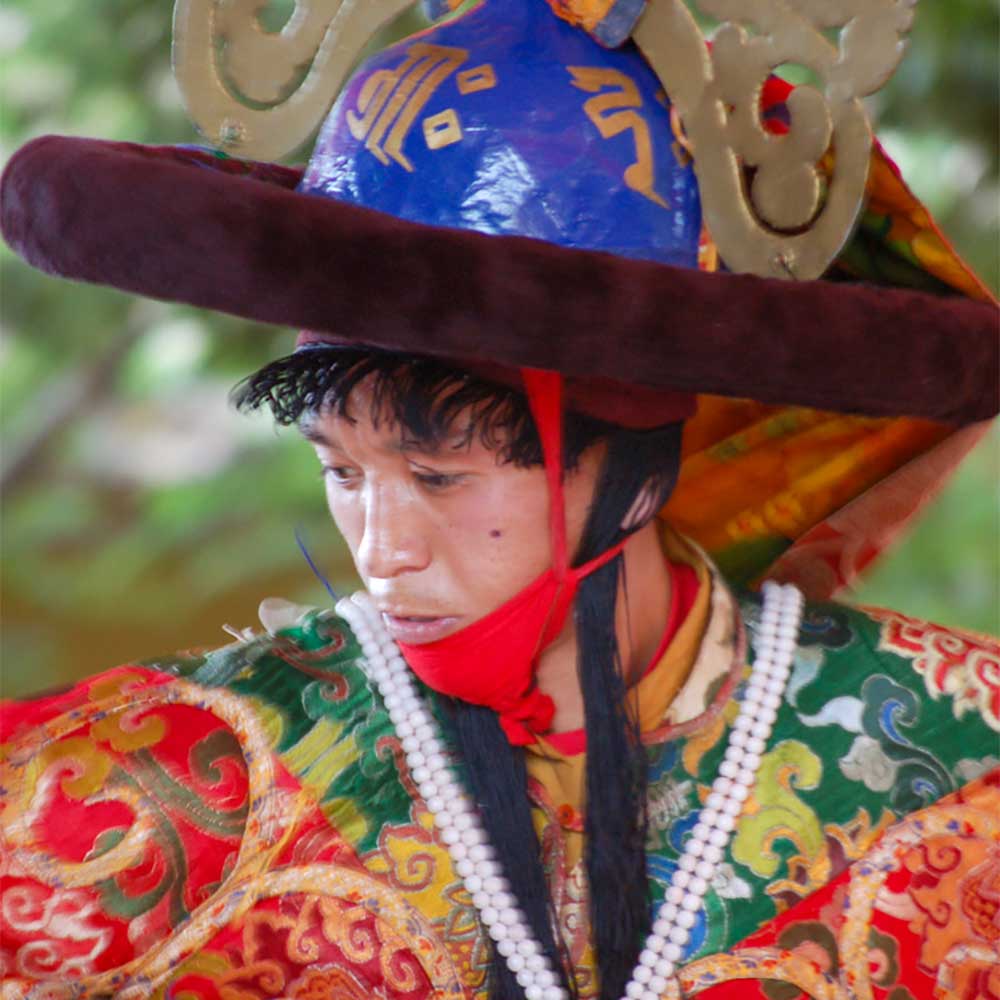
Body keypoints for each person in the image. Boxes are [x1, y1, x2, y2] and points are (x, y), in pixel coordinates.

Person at [1, 1, 997, 998]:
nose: (381, 550)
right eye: (342, 472)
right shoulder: (197, 770)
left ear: (637, 472)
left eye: (439, 476)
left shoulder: (958, 752)